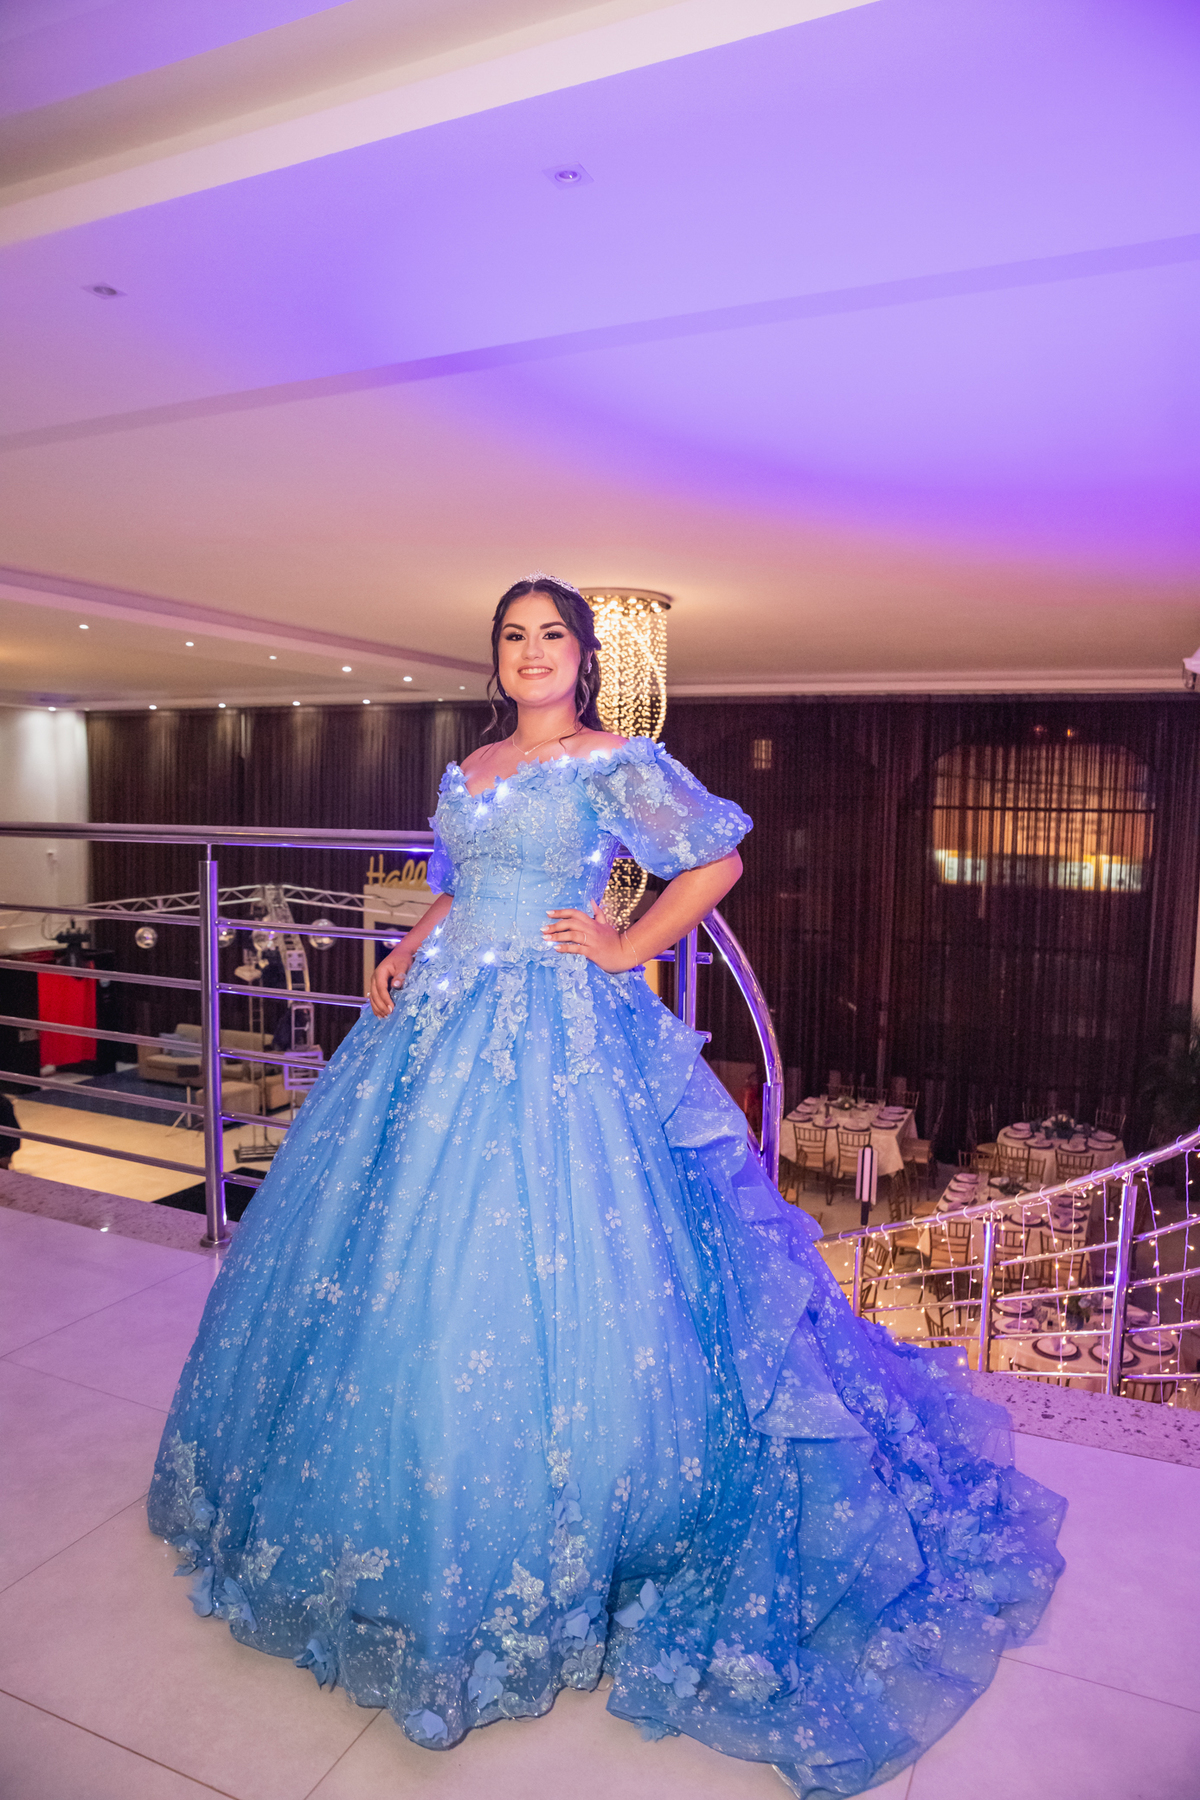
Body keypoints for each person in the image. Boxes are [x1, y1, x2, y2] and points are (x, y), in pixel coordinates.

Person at [148, 575, 1064, 1797]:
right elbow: (461, 881)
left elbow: (715, 864)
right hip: (436, 1022)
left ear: (584, 656)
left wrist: (627, 945)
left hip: (554, 1030)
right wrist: (409, 943)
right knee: (385, 1252)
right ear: (496, 655)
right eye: (512, 636)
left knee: (555, 1260)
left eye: (552, 636)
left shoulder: (613, 761)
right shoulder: (471, 765)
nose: (532, 652)